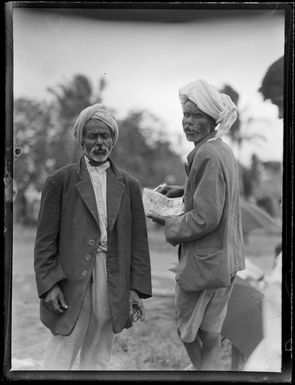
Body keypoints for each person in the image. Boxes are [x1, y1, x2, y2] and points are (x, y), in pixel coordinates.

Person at [34, 103, 152, 370]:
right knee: (63, 343)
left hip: (113, 276)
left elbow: (138, 244)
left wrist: (135, 289)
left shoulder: (130, 185)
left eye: (105, 135)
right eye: (93, 136)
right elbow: (44, 242)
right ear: (82, 139)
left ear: (113, 139)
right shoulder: (59, 181)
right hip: (70, 277)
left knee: (100, 349)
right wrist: (50, 284)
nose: (100, 142)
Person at [149, 79, 245, 370]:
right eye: (186, 115)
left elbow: (207, 216)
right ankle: (209, 374)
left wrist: (167, 220)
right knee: (210, 335)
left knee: (187, 330)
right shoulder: (221, 150)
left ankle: (203, 373)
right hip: (224, 260)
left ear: (213, 120)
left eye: (197, 116)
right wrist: (182, 190)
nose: (188, 122)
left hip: (205, 262)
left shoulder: (206, 154)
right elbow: (214, 194)